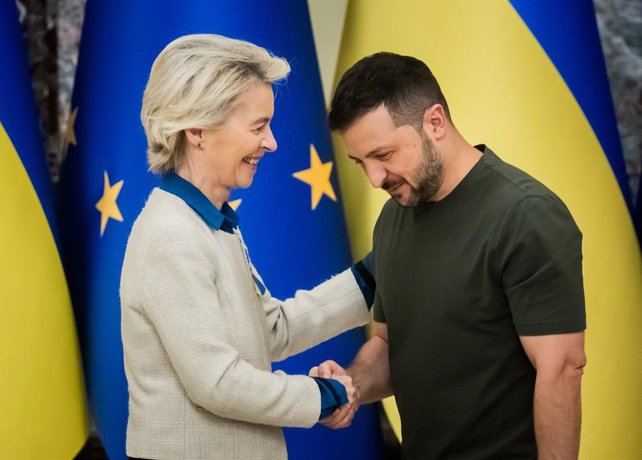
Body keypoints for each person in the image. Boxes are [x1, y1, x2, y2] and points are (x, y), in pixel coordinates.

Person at [312, 52, 587, 459]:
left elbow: (562, 369)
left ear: (435, 122)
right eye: (360, 162)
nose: (374, 179)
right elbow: (390, 347)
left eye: (384, 155)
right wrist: (351, 385)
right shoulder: (392, 218)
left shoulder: (525, 215)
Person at [120, 34, 374, 460]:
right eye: (258, 126)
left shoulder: (211, 225)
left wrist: (370, 281)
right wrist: (324, 395)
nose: (272, 142)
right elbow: (216, 383)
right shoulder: (172, 235)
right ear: (197, 129)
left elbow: (267, 331)